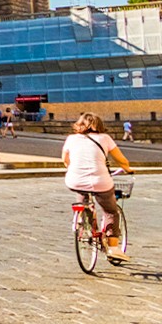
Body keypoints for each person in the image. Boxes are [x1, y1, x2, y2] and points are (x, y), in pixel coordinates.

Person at [62, 112, 134, 263]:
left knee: (83, 201)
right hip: (101, 182)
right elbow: (122, 160)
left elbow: (65, 160)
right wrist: (127, 169)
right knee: (111, 211)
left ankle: (85, 225)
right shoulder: (105, 138)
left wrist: (74, 168)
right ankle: (113, 247)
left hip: (74, 180)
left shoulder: (71, 139)